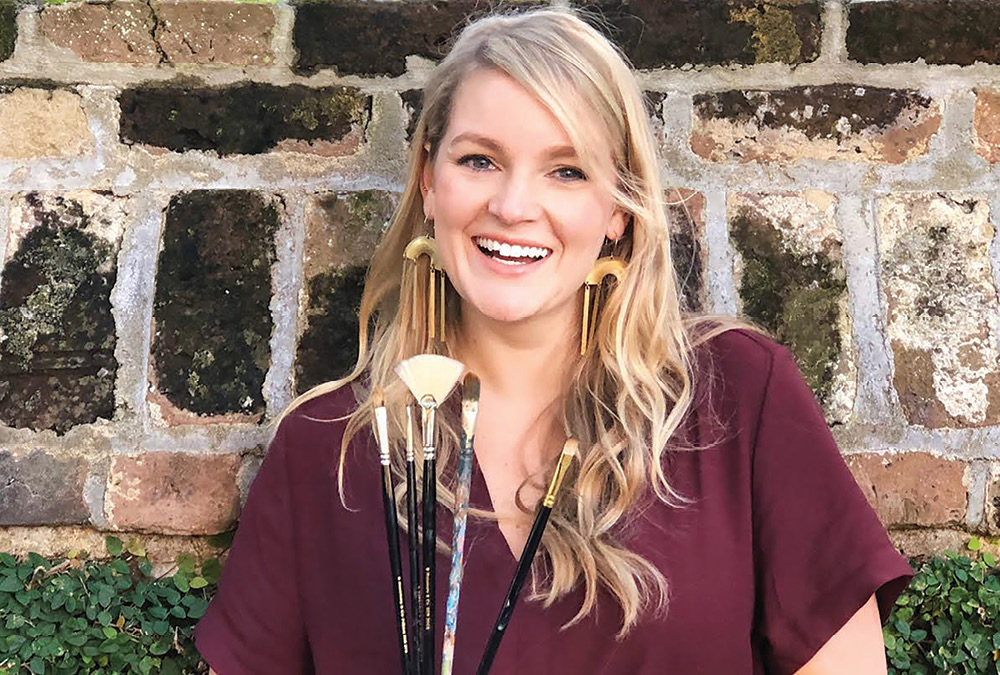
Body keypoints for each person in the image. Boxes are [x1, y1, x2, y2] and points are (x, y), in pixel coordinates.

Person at [194, 6, 914, 673]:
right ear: (429, 181)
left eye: (567, 171)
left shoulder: (735, 398)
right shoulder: (326, 452)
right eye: (479, 160)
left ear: (618, 208)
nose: (513, 206)